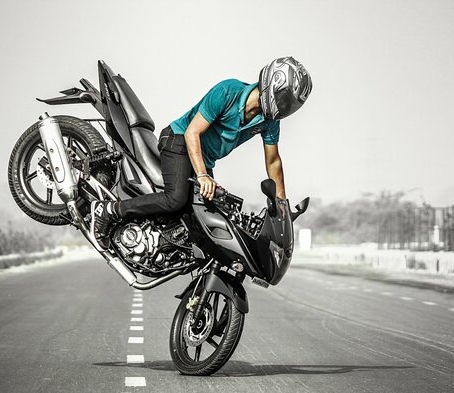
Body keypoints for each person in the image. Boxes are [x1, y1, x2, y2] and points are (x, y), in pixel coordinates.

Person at [90, 56, 313, 249]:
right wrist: (203, 175)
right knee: (175, 199)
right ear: (273, 84)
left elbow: (273, 162)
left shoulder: (269, 121)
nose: (286, 108)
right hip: (178, 140)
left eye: (291, 105)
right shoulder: (228, 91)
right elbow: (192, 133)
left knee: (213, 218)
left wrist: (282, 207)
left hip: (203, 159)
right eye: (285, 100)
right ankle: (111, 210)